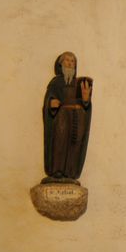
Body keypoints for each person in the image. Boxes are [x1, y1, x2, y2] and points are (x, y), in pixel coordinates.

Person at [42, 51, 93, 181]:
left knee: (74, 144)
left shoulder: (79, 83)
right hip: (62, 117)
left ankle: (70, 172)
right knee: (60, 141)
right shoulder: (56, 82)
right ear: (61, 64)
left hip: (78, 118)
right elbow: (50, 98)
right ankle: (57, 171)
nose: (70, 63)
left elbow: (85, 106)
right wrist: (51, 102)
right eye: (67, 60)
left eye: (72, 61)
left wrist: (86, 100)